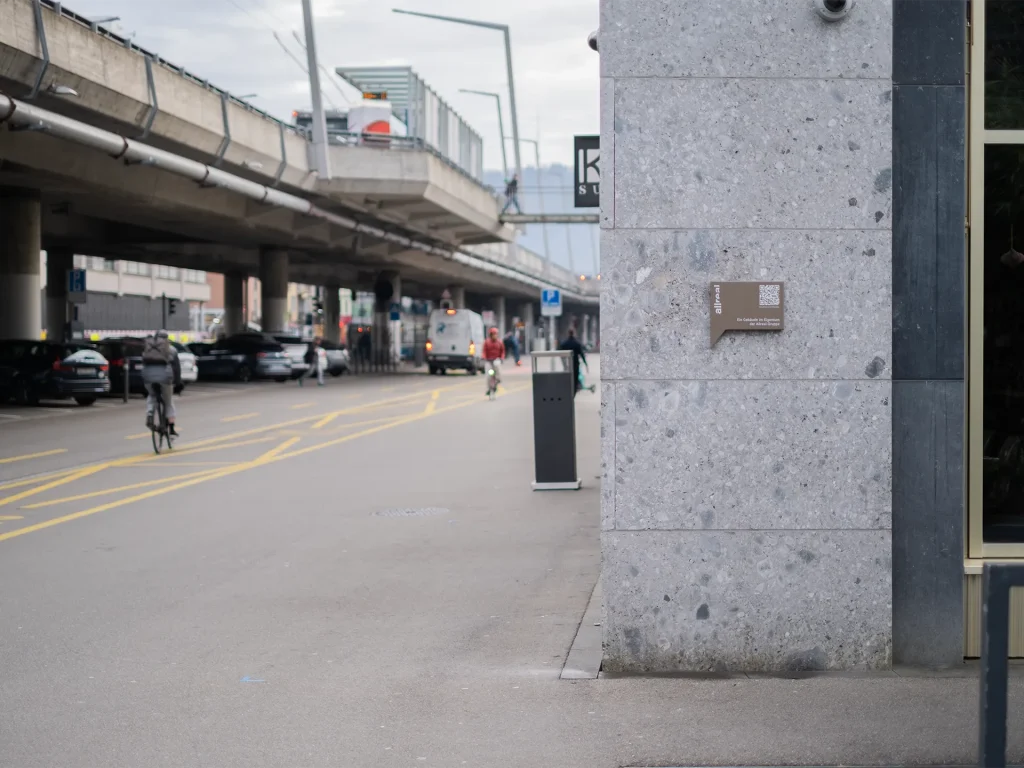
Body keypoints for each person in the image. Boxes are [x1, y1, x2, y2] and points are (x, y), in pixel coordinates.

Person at [142, 329, 179, 435]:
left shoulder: (148, 348)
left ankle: (150, 414)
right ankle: (171, 428)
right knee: (168, 401)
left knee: (152, 396)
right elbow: (176, 368)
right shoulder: (171, 349)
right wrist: (178, 382)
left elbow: (143, 362)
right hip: (165, 377)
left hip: (148, 376)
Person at [558, 327, 588, 396]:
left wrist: (564, 363)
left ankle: (568, 393)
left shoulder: (565, 343)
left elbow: (560, 352)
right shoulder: (577, 343)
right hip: (575, 365)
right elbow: (582, 354)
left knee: (567, 379)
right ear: (573, 333)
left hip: (568, 365)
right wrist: (586, 364)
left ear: (568, 333)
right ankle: (573, 394)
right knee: (575, 380)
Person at [482, 326, 506, 394]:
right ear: (490, 335)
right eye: (493, 334)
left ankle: (497, 382)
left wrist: (501, 358)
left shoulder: (500, 342)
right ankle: (489, 388)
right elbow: (484, 351)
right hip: (488, 360)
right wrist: (483, 357)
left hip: (496, 360)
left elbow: (503, 352)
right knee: (488, 375)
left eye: (496, 334)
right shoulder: (486, 342)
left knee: (498, 373)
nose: (494, 336)